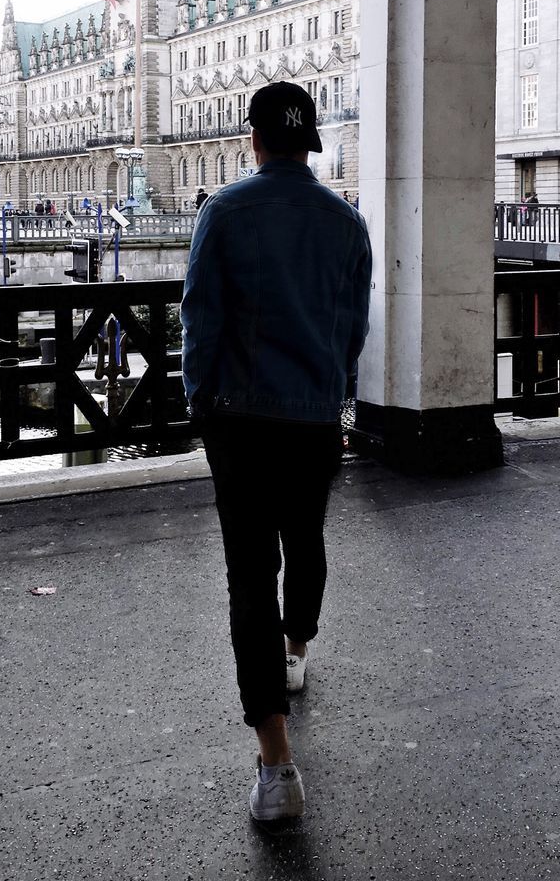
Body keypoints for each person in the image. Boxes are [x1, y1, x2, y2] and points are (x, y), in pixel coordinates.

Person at [181, 81, 372, 823]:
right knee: (308, 537)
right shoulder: (347, 223)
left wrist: (202, 403)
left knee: (249, 578)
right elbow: (352, 329)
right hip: (315, 418)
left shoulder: (223, 212)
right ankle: (298, 652)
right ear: (311, 143)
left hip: (241, 421)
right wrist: (332, 396)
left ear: (252, 142)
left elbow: (201, 321)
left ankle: (277, 764)